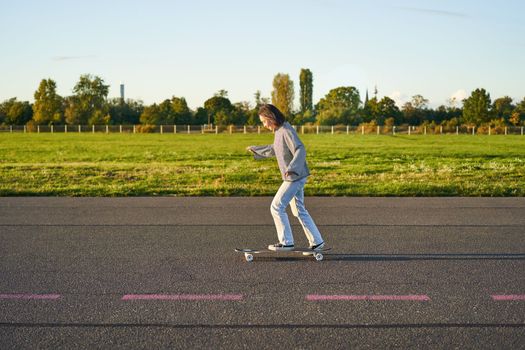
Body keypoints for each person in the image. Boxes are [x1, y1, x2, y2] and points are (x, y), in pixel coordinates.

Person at [246, 104, 325, 252]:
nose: (264, 125)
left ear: (271, 117)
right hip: (297, 176)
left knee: (276, 206)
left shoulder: (286, 130)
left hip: (294, 177)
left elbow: (300, 148)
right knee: (299, 210)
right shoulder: (279, 131)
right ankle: (317, 242)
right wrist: (256, 149)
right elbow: (275, 149)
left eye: (264, 121)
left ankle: (286, 242)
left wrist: (292, 168)